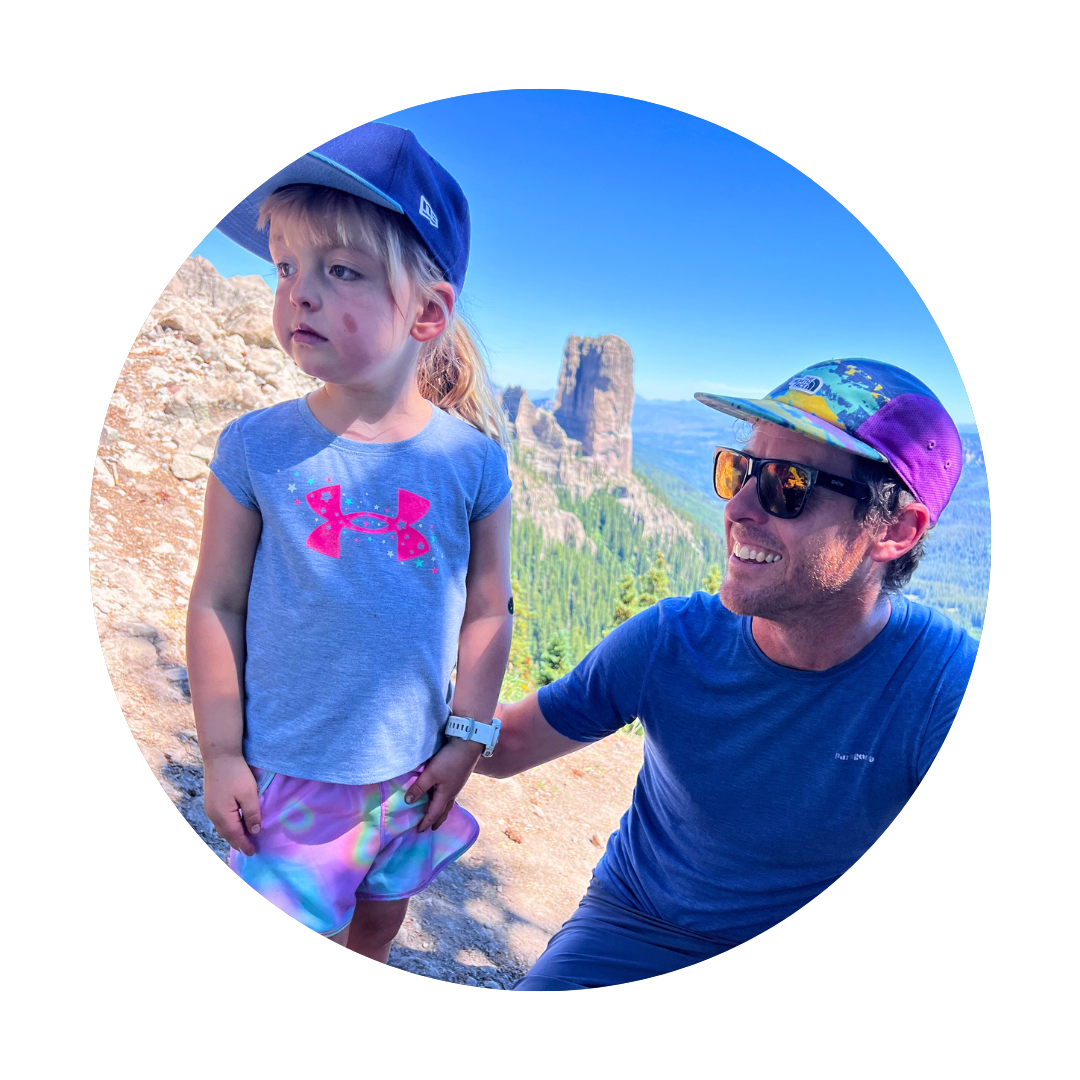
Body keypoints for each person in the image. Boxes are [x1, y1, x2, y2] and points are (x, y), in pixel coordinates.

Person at [476, 359, 979, 990]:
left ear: (896, 530)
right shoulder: (670, 641)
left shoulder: (944, 690)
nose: (738, 506)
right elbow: (506, 744)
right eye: (739, 470)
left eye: (788, 485)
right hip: (632, 928)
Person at [187, 123, 513, 961]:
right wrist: (221, 752)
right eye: (287, 266)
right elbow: (217, 601)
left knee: (377, 923)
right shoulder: (255, 447)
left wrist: (466, 740)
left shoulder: (473, 462)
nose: (299, 292)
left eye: (341, 271)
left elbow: (487, 610)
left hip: (412, 778)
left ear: (427, 312)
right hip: (287, 779)